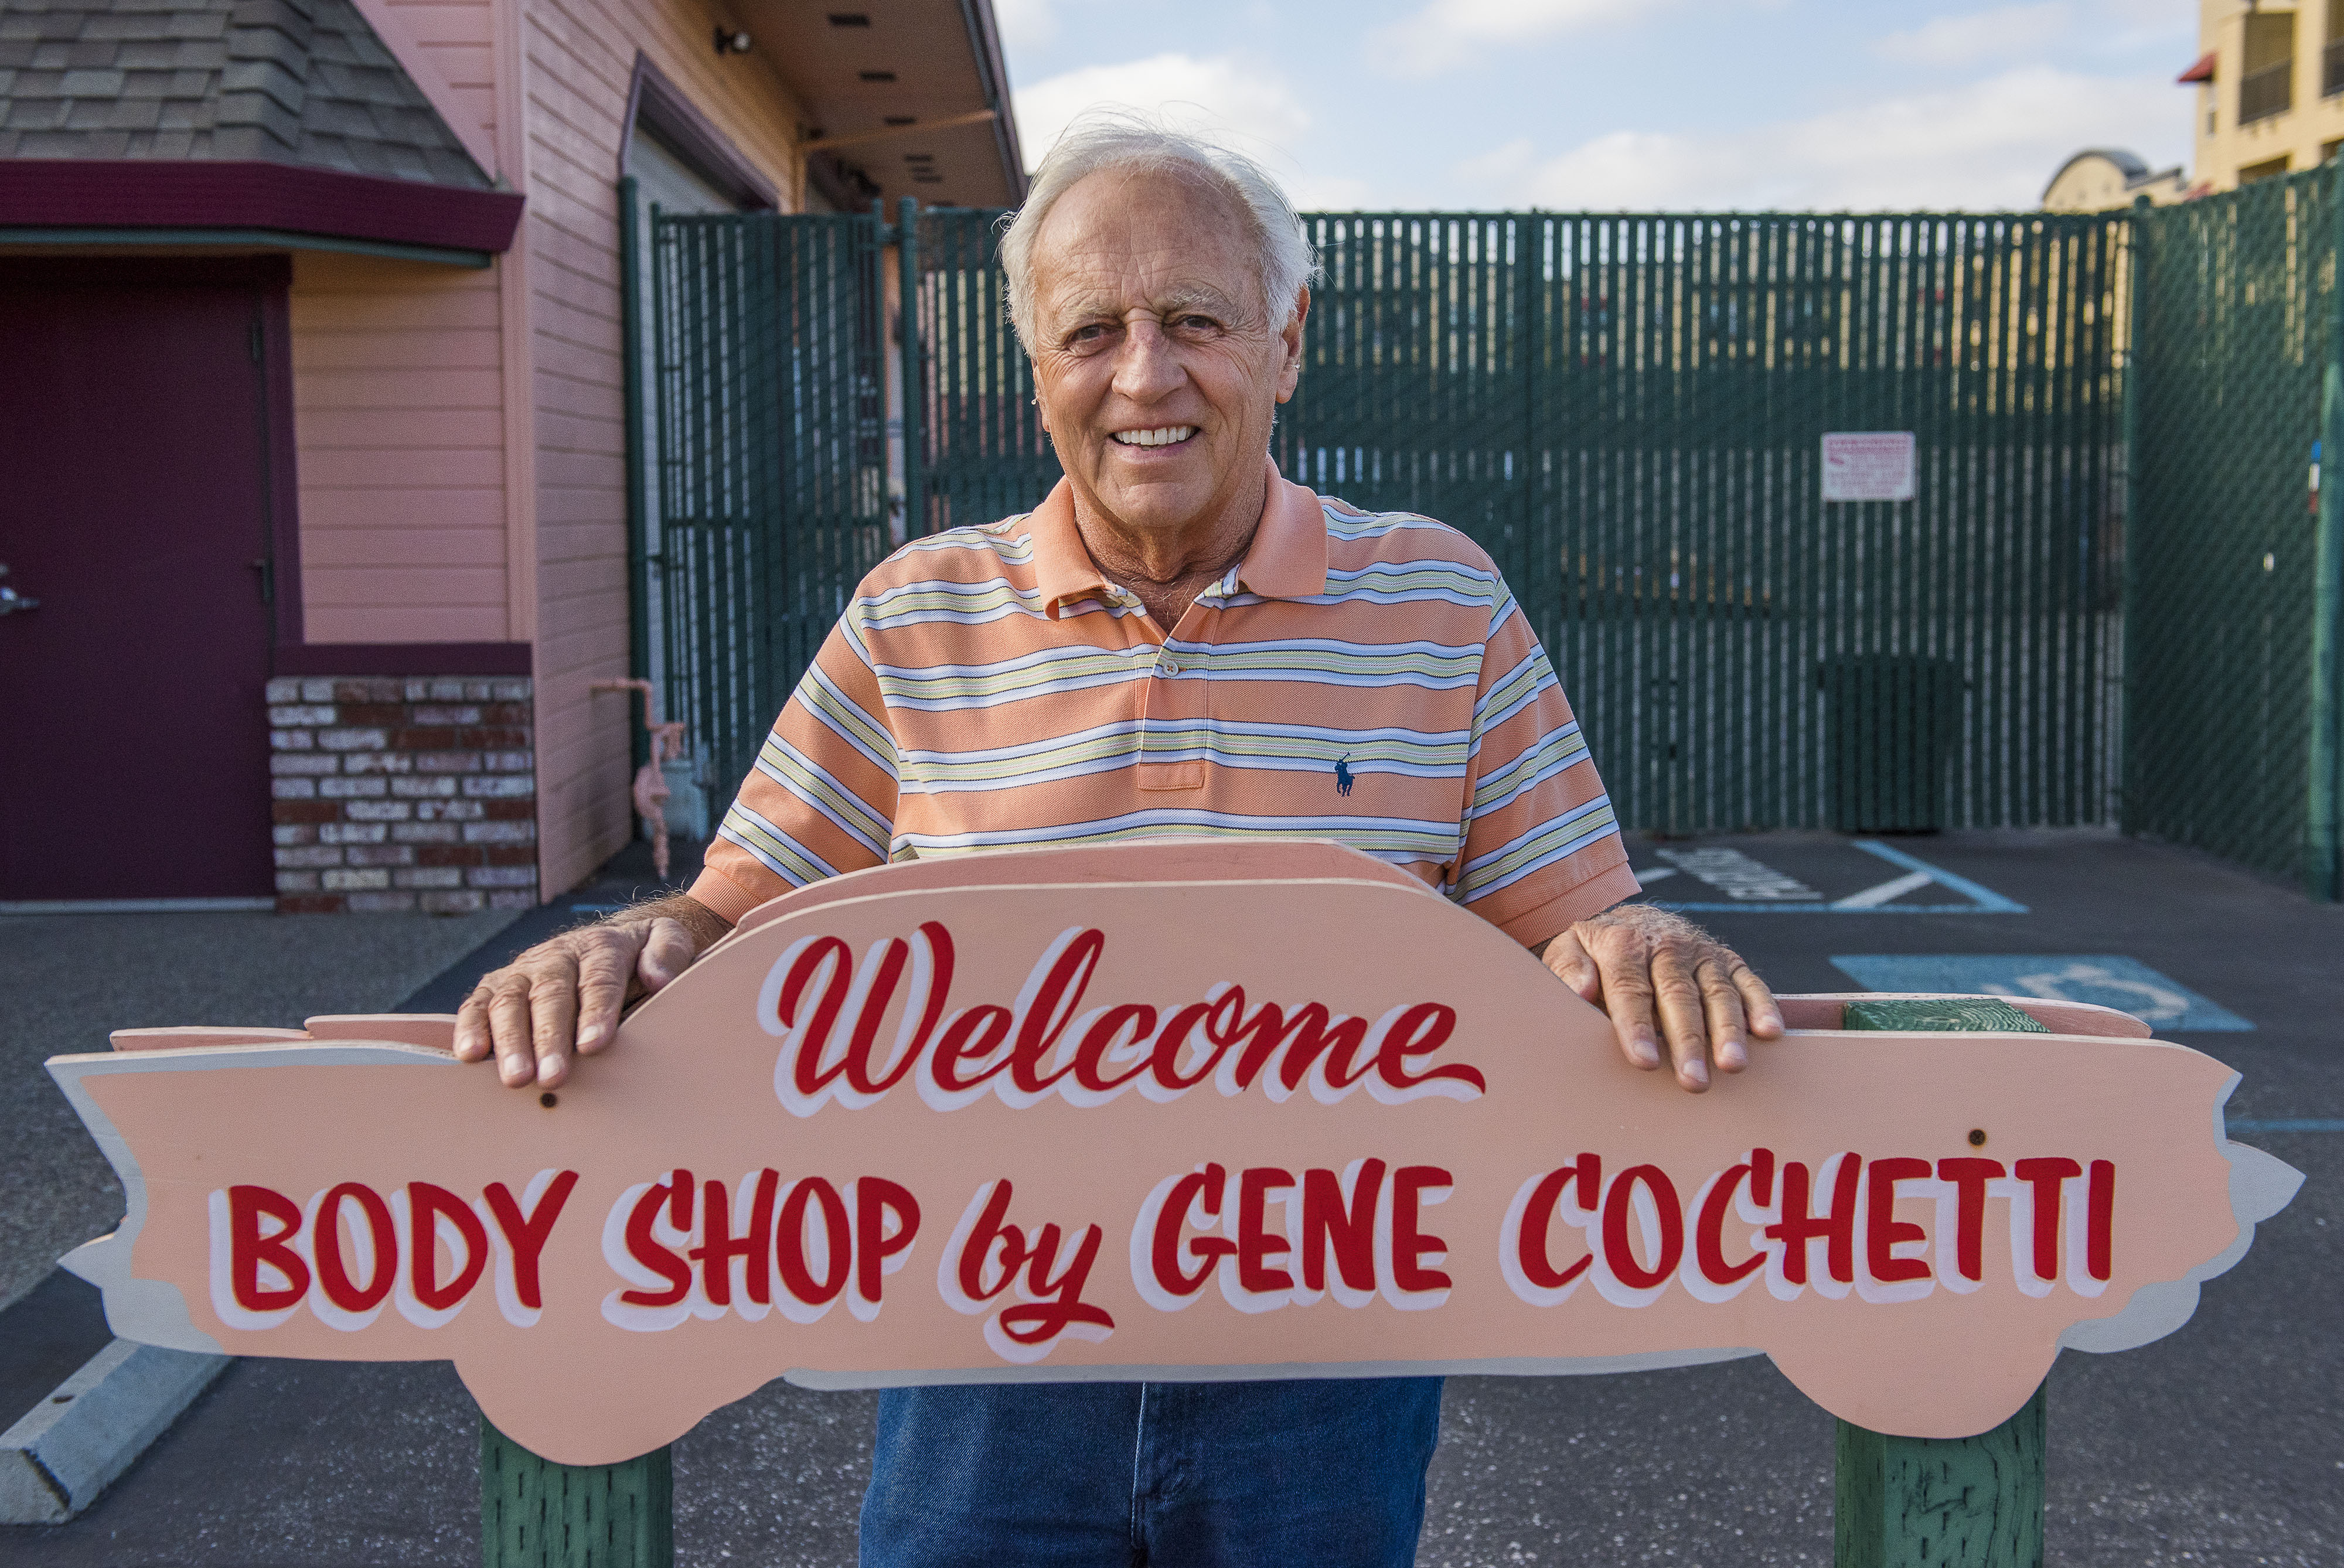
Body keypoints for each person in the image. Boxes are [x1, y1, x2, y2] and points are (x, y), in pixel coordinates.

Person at [455, 114, 1782, 1567]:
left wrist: (1644, 936)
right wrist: (619, 946)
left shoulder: (1441, 604)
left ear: (1285, 343)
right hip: (978, 1353)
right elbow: (727, 916)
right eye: (1092, 330)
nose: (1144, 375)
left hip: (1326, 1353)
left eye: (1195, 320)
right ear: (1035, 368)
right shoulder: (913, 619)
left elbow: (1572, 919)